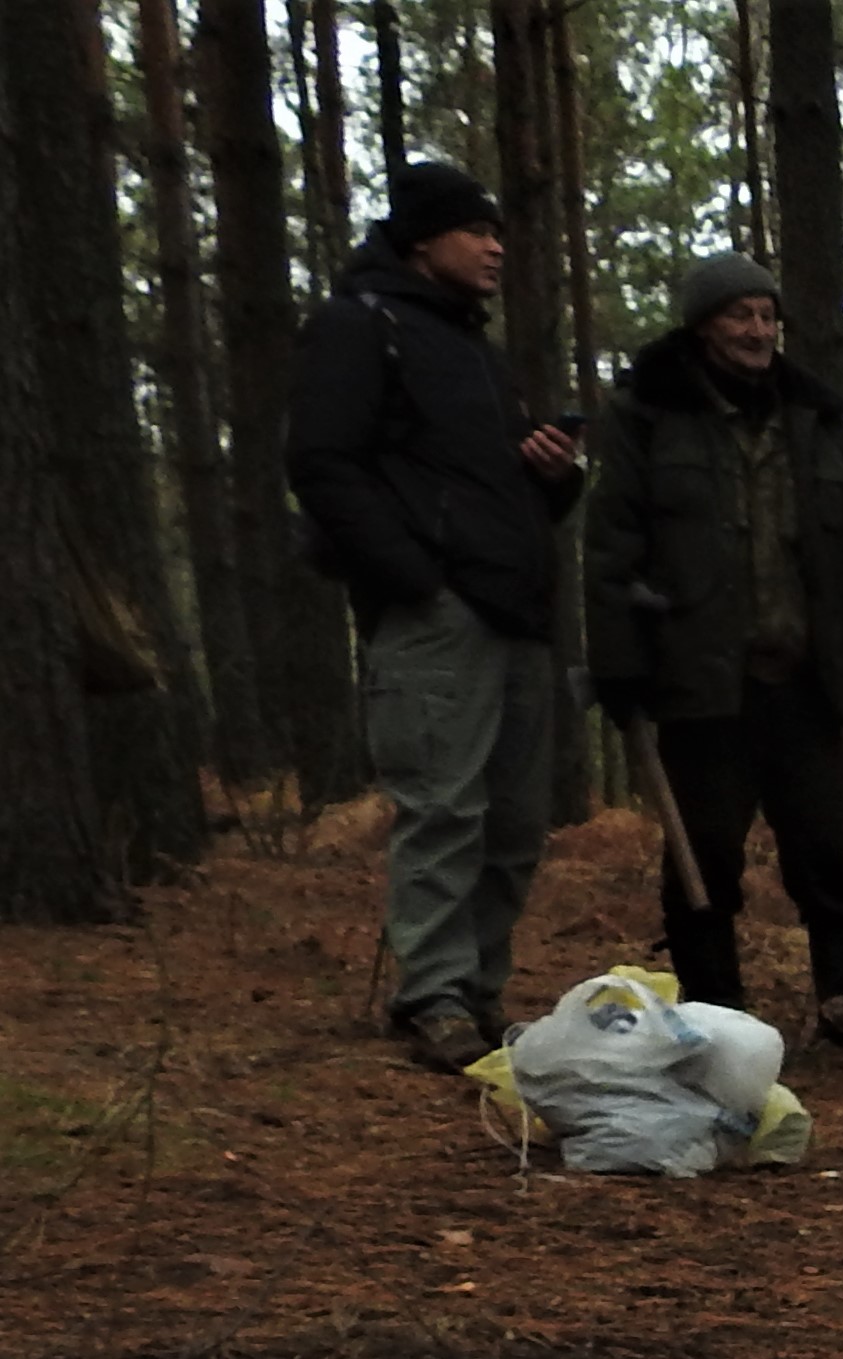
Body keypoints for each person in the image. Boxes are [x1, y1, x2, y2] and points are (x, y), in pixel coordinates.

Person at [288, 161, 591, 1071]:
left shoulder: (476, 353)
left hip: (515, 615)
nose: (497, 246)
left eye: (500, 230)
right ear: (423, 239)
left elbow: (494, 492)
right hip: (436, 617)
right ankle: (430, 995)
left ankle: (478, 990)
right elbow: (321, 463)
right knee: (443, 808)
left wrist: (556, 476)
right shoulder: (357, 327)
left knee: (513, 821)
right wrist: (414, 578)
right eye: (476, 230)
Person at [582, 254, 843, 1013]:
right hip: (699, 686)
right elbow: (611, 550)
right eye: (741, 315)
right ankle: (711, 1023)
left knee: (830, 861)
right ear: (703, 326)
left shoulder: (815, 418)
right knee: (701, 867)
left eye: (768, 316)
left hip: (804, 682)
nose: (758, 330)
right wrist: (619, 667)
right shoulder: (646, 415)